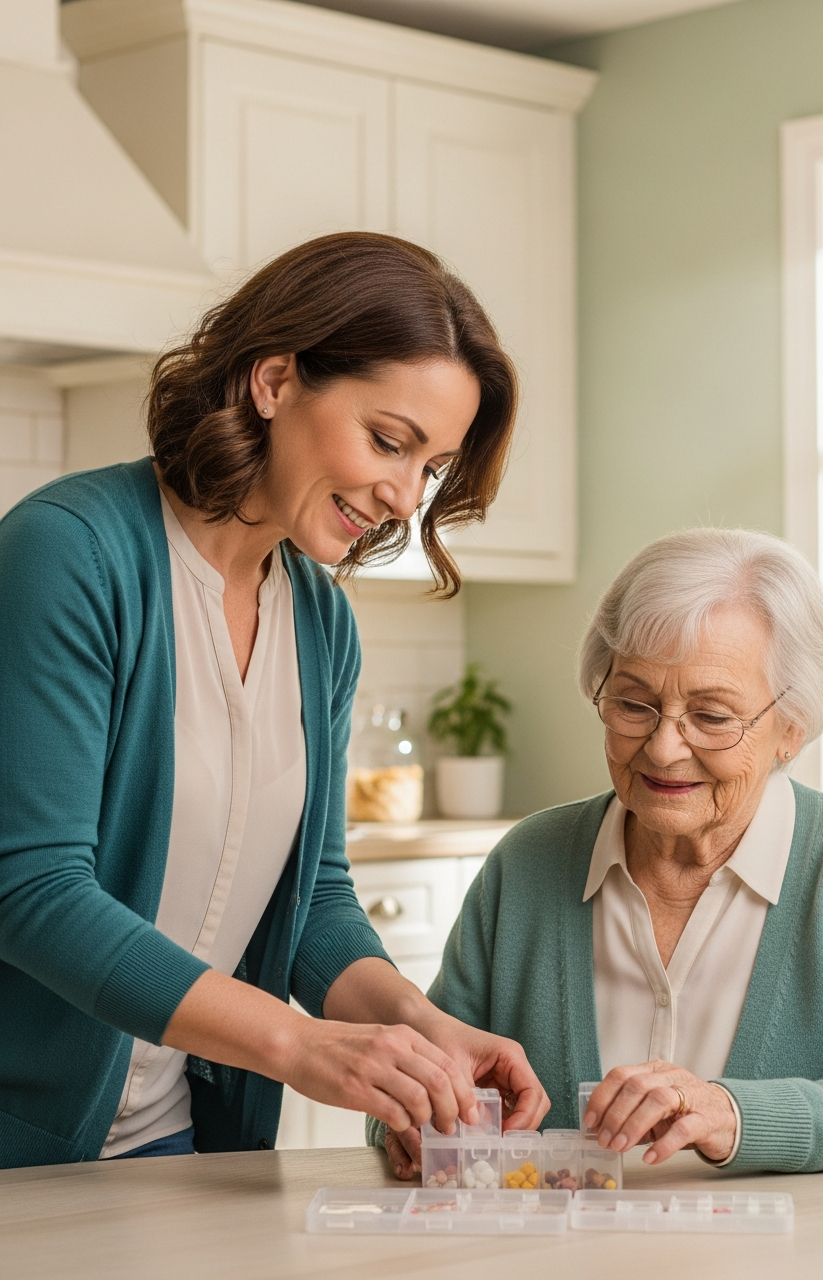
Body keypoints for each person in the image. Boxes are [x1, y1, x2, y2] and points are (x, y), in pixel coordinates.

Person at [0, 232, 548, 1169]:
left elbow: (313, 902)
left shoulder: (322, 628)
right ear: (275, 381)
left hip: (181, 1137)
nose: (403, 495)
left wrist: (420, 1030)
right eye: (389, 441)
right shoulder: (69, 556)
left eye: (431, 468)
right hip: (29, 1144)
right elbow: (34, 891)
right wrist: (299, 1047)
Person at [371, 527, 823, 1176]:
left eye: (710, 715)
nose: (664, 747)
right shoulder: (526, 864)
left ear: (791, 727)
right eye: (634, 703)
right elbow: (422, 1073)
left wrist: (730, 1114)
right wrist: (415, 1117)